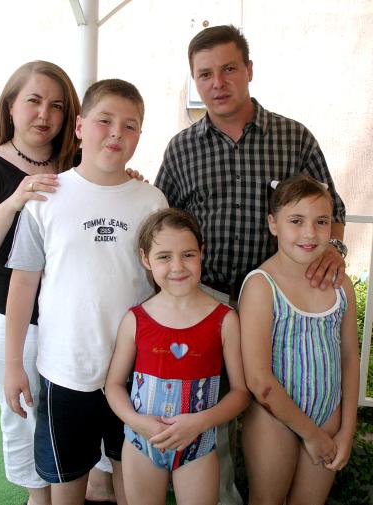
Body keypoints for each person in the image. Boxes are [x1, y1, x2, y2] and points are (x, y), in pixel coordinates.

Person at [154, 24, 348, 504]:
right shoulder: (181, 149)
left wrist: (332, 252)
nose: (217, 82)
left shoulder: (293, 136)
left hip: (281, 303)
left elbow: (333, 213)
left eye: (228, 69)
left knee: (273, 405)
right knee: (211, 420)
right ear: (194, 80)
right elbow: (162, 220)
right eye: (204, 74)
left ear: (249, 71)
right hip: (209, 303)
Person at [4, 78, 168, 505]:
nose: (116, 133)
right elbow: (23, 283)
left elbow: (166, 285)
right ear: (79, 126)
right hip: (65, 370)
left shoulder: (151, 201)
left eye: (130, 126)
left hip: (136, 371)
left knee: (130, 481)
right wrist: (12, 365)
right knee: (67, 483)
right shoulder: (46, 198)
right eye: (104, 120)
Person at [0, 60, 80, 505]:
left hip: (65, 314)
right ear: (11, 106)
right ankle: (38, 497)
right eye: (33, 101)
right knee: (21, 413)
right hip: (3, 314)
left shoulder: (77, 165)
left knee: (64, 415)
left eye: (56, 106)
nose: (44, 114)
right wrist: (16, 199)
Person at [105, 208, 250, 505]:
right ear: (145, 259)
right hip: (142, 441)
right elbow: (114, 385)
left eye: (188, 254)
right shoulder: (136, 319)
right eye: (164, 257)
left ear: (202, 252)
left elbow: (240, 393)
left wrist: (199, 423)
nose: (177, 266)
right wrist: (137, 421)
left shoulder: (225, 319)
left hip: (198, 444)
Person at [238, 174, 359, 505]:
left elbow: (350, 358)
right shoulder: (262, 286)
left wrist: (346, 431)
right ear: (273, 224)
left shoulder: (340, 284)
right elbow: (259, 380)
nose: (310, 233)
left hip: (328, 414)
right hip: (272, 418)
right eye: (296, 221)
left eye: (321, 222)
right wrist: (312, 435)